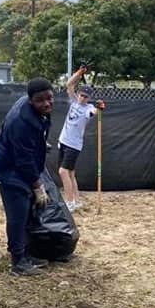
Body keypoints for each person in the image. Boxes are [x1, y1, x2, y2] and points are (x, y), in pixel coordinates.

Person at [0, 77, 54, 276]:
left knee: (27, 212)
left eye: (49, 98)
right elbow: (23, 159)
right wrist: (37, 186)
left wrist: (40, 144)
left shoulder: (36, 112)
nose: (46, 103)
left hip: (20, 166)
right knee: (17, 215)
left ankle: (26, 254)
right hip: (9, 171)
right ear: (30, 100)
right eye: (40, 100)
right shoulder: (22, 121)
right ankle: (17, 262)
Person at [57, 66, 105, 211]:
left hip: (74, 145)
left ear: (89, 98)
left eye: (86, 96)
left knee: (63, 172)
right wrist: (79, 73)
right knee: (70, 173)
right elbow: (69, 85)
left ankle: (70, 202)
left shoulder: (87, 108)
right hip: (63, 141)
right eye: (81, 95)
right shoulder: (73, 101)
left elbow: (93, 113)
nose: (82, 98)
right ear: (78, 94)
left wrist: (99, 108)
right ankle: (77, 201)